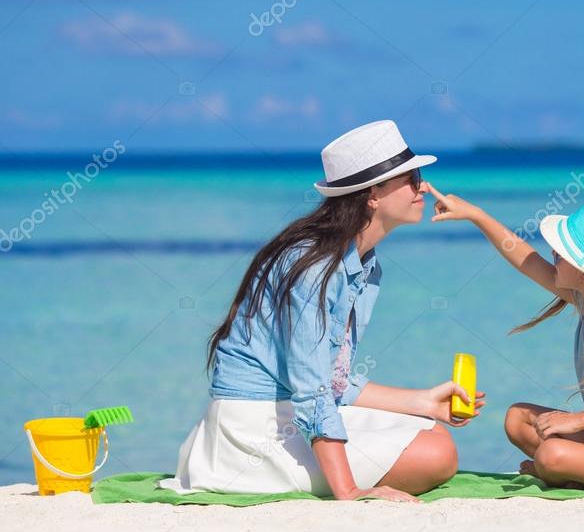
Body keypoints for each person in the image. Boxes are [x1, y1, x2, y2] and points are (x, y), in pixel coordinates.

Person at [159, 120, 485, 503]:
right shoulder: (315, 267)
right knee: (436, 454)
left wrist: (422, 401)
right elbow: (312, 389)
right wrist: (349, 491)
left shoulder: (363, 265)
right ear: (373, 195)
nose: (423, 187)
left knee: (431, 431)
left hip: (289, 414)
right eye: (410, 177)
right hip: (255, 429)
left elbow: (332, 381)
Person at [427, 186, 584, 488]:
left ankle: (563, 470)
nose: (552, 254)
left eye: (562, 253)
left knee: (551, 454)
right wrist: (476, 215)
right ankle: (574, 470)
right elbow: (526, 260)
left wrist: (580, 419)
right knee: (518, 419)